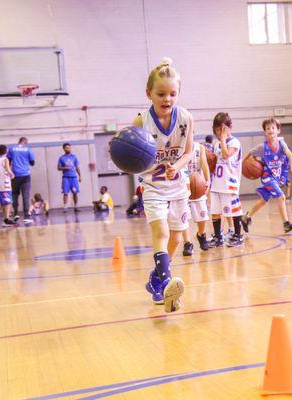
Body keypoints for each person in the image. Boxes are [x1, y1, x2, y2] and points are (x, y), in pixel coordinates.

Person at [132, 57, 189, 313]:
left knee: (176, 238)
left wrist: (176, 167)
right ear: (149, 94)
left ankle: (156, 280)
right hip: (153, 185)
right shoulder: (140, 122)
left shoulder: (186, 119)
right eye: (161, 94)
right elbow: (127, 152)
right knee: (162, 233)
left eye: (172, 94)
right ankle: (165, 282)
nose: (167, 99)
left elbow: (188, 153)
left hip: (177, 184)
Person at [241, 118, 292, 233]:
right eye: (268, 128)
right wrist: (241, 166)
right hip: (267, 176)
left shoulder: (282, 144)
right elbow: (249, 153)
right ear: (265, 132)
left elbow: (290, 155)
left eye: (273, 127)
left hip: (276, 177)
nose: (270, 130)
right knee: (281, 196)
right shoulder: (262, 147)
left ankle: (246, 217)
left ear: (278, 130)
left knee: (264, 200)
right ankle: (286, 223)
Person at [208, 112, 245, 247]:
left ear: (230, 127)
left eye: (223, 129)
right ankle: (218, 237)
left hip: (230, 183)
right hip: (217, 183)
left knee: (234, 211)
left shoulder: (234, 142)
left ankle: (238, 236)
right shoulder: (217, 143)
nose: (220, 132)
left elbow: (225, 155)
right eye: (217, 130)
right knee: (215, 212)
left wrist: (223, 139)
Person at [182, 141, 211, 256]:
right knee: (183, 217)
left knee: (203, 215)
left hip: (198, 185)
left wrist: (208, 180)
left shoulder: (200, 147)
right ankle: (187, 243)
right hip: (183, 185)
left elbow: (204, 164)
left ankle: (201, 234)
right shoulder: (178, 146)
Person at [8, 137, 35, 224]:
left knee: (15, 194)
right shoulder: (28, 149)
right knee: (25, 195)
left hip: (15, 175)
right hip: (25, 175)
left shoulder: (12, 149)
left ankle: (15, 213)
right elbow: (32, 162)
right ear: (25, 141)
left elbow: (8, 161)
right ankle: (26, 215)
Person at [57, 143, 82, 213]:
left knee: (75, 192)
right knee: (65, 193)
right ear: (64, 149)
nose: (69, 149)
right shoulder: (61, 158)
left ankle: (76, 207)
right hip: (66, 178)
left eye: (69, 147)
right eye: (67, 148)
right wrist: (65, 167)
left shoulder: (74, 157)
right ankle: (65, 207)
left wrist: (80, 176)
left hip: (73, 178)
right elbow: (58, 168)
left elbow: (77, 167)